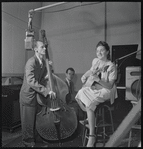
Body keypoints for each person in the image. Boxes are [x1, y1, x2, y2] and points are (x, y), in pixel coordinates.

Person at [75, 41, 118, 147]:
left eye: (102, 50)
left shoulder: (111, 66)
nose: (99, 53)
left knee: (89, 103)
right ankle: (91, 119)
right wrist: (84, 76)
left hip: (107, 90)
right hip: (98, 88)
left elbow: (109, 86)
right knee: (80, 93)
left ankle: (92, 136)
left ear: (107, 52)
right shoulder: (96, 61)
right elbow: (91, 71)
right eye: (97, 50)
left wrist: (98, 79)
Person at [19, 40, 56, 147]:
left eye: (44, 47)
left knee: (36, 120)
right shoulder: (31, 62)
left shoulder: (42, 62)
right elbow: (31, 81)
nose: (44, 49)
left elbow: (43, 78)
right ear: (35, 49)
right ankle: (28, 142)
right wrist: (46, 91)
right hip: (28, 96)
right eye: (42, 47)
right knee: (28, 122)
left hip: (37, 96)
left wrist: (49, 68)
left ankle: (37, 141)